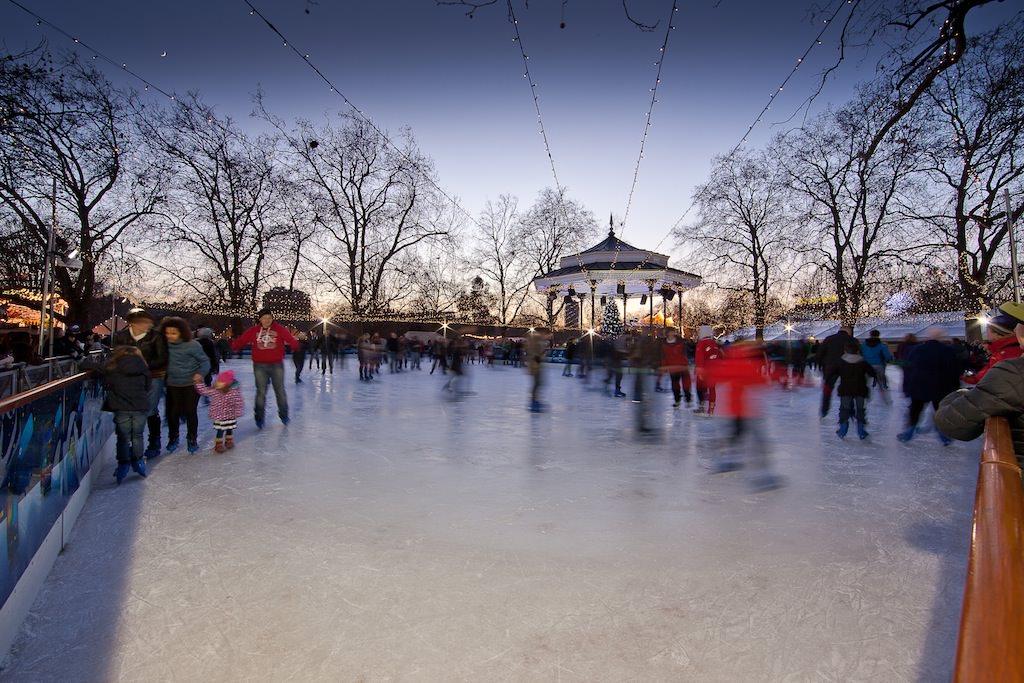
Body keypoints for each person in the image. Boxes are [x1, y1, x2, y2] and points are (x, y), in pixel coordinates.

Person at [936, 303, 1024, 462]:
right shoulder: (1001, 354)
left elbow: (951, 421)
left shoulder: (1012, 367)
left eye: (988, 330)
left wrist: (962, 392)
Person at [706, 341, 784, 492]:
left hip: (731, 411)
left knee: (733, 437)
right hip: (749, 412)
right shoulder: (749, 365)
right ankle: (762, 474)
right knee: (758, 442)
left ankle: (729, 459)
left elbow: (711, 377)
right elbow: (763, 381)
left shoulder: (726, 365)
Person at [81, 346, 151, 483]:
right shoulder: (143, 368)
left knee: (123, 437)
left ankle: (123, 463)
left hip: (121, 406)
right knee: (137, 435)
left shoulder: (112, 367)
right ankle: (138, 460)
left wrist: (82, 359)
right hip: (140, 406)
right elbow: (148, 387)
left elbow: (87, 365)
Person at [231, 308, 299, 429]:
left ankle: (283, 414)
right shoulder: (253, 331)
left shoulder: (279, 329)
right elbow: (242, 341)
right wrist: (233, 345)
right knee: (261, 392)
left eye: (269, 318)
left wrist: (296, 345)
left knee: (280, 391)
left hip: (276, 365)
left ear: (272, 318)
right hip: (259, 366)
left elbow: (290, 340)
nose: (267, 320)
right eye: (264, 318)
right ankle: (259, 417)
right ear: (260, 319)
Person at [113, 308, 168, 459]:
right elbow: (116, 355)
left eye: (148, 322)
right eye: (143, 322)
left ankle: (154, 442)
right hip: (130, 379)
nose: (147, 325)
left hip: (153, 376)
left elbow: (163, 358)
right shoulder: (122, 337)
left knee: (149, 410)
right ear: (132, 323)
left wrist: (144, 366)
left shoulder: (156, 337)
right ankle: (133, 445)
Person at [898, 329, 962, 444]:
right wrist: (955, 387)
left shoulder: (916, 350)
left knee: (915, 410)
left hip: (919, 385)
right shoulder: (947, 351)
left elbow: (908, 369)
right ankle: (943, 435)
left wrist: (907, 386)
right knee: (940, 411)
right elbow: (954, 370)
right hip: (941, 386)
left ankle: (909, 431)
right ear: (940, 337)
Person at [160, 317, 210, 453]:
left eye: (173, 333)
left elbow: (205, 362)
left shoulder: (192, 345)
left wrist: (200, 373)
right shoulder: (163, 345)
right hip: (173, 383)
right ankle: (173, 437)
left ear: (181, 332)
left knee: (190, 411)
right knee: (173, 412)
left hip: (191, 383)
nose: (170, 336)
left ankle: (191, 438)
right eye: (167, 333)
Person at [826, 341, 878, 440]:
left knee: (844, 408)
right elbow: (872, 373)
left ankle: (843, 428)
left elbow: (831, 373)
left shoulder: (840, 362)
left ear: (845, 351)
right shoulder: (863, 362)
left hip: (846, 389)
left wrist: (827, 381)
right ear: (857, 351)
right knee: (860, 409)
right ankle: (861, 429)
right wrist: (875, 378)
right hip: (860, 389)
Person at [962, 312, 1022, 386]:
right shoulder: (1001, 350)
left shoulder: (1006, 353)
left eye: (988, 329)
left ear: (997, 333)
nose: (986, 332)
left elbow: (991, 380)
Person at [193, 369, 245, 453]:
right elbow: (205, 391)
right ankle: (219, 444)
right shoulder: (215, 391)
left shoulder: (233, 392)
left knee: (229, 428)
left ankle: (229, 441)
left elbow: (238, 402)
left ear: (227, 384)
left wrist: (238, 411)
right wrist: (198, 383)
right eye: (218, 381)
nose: (217, 383)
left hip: (230, 415)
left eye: (221, 382)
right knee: (220, 430)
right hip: (219, 416)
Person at [817, 325, 855, 418]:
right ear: (848, 331)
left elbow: (820, 353)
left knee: (828, 389)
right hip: (847, 368)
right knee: (848, 389)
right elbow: (857, 354)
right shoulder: (851, 340)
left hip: (830, 368)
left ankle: (824, 409)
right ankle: (850, 410)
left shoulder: (829, 339)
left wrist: (821, 366)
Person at [660, 327, 692, 408]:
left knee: (686, 384)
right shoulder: (664, 344)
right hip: (672, 367)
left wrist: (686, 363)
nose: (671, 334)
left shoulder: (681, 342)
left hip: (682, 366)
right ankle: (677, 400)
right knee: (675, 385)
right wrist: (664, 366)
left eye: (672, 332)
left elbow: (685, 353)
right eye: (670, 332)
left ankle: (688, 399)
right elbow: (664, 356)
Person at [694, 325, 720, 414]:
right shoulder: (714, 343)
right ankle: (711, 408)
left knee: (700, 388)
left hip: (704, 370)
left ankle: (701, 406)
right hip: (714, 370)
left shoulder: (701, 344)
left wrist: (699, 371)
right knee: (712, 388)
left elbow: (699, 358)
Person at [860, 330, 892, 394]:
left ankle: (865, 395)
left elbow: (860, 355)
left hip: (867, 365)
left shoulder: (863, 345)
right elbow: (887, 356)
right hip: (879, 364)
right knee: (881, 379)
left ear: (870, 335)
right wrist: (885, 361)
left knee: (866, 381)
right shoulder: (882, 346)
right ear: (878, 335)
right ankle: (884, 389)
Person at [525, 329, 549, 412]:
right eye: (547, 335)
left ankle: (534, 401)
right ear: (543, 333)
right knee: (537, 383)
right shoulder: (536, 340)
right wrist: (540, 357)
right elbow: (533, 352)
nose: (547, 337)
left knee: (538, 383)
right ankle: (533, 402)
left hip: (536, 365)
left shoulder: (538, 340)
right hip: (535, 365)